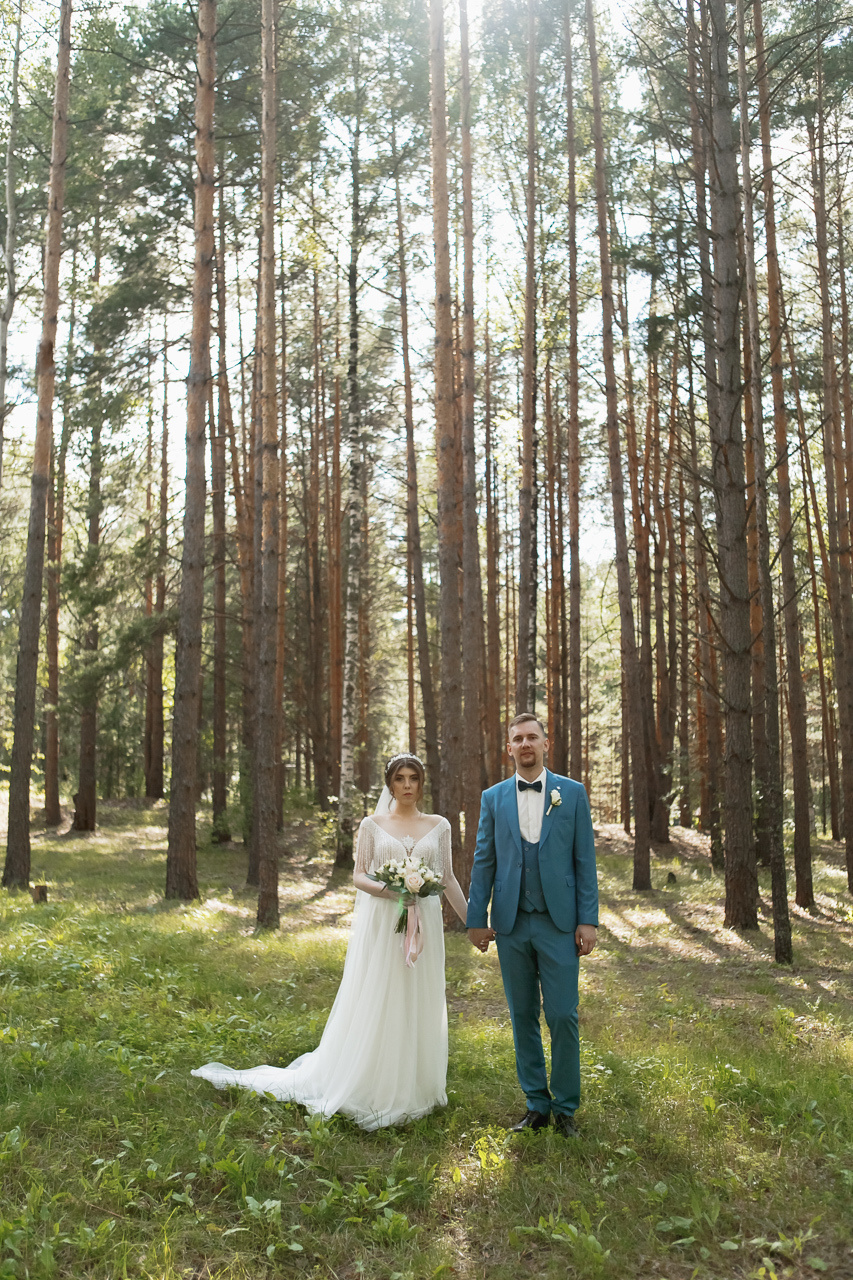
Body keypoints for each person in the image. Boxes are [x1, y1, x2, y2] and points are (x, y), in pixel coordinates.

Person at [193, 753, 468, 1130]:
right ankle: (374, 1082)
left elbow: (448, 878)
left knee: (418, 996)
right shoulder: (372, 825)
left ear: (422, 784)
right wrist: (392, 889)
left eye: (414, 778)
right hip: (385, 922)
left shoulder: (439, 826)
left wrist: (475, 924)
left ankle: (415, 1085)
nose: (407, 785)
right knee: (382, 995)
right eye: (400, 778)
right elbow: (358, 876)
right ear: (389, 784)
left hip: (424, 925)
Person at [466, 713, 599, 1138]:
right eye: (517, 739)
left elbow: (584, 861)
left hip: (559, 923)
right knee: (522, 1014)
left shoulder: (572, 794)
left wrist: (588, 920)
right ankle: (536, 1105)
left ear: (546, 744)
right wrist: (476, 918)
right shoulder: (493, 797)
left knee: (562, 1015)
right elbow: (484, 859)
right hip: (510, 923)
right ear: (509, 748)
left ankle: (565, 1108)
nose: (525, 744)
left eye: (532, 738)